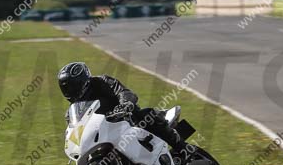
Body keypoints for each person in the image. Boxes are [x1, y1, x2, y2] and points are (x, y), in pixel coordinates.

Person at [57, 62, 188, 155]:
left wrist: (125, 104)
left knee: (147, 115)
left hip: (127, 121)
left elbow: (123, 91)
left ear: (83, 81)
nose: (71, 91)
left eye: (73, 86)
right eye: (66, 88)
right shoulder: (72, 112)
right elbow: (75, 130)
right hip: (105, 135)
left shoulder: (101, 82)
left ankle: (183, 150)